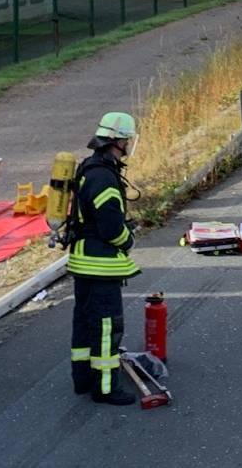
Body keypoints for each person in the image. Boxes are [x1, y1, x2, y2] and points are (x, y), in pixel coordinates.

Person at [68, 112, 141, 404]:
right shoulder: (104, 177)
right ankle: (106, 387)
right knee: (107, 327)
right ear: (116, 141)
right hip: (101, 263)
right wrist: (128, 239)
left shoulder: (89, 167)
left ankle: (83, 380)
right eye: (127, 139)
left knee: (85, 323)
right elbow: (110, 226)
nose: (129, 144)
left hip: (83, 260)